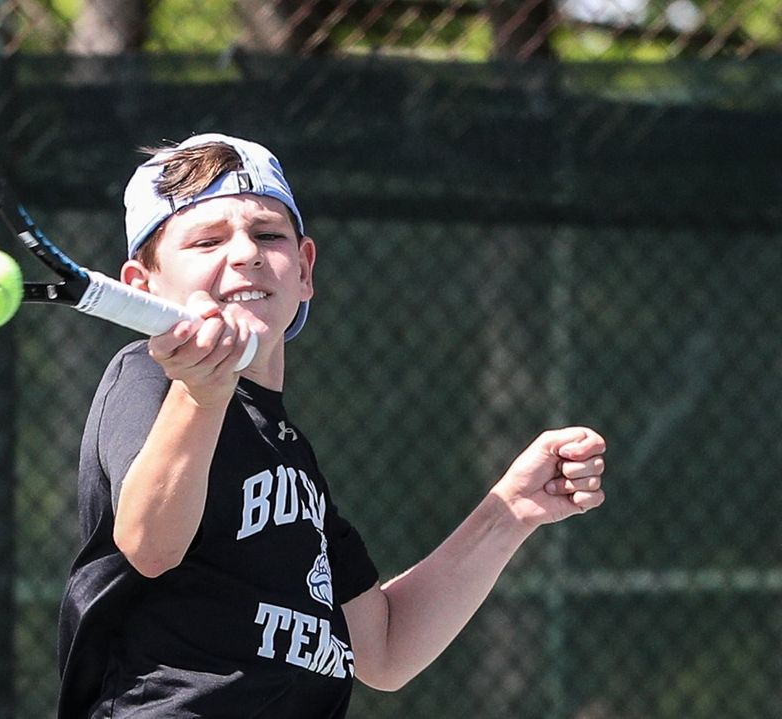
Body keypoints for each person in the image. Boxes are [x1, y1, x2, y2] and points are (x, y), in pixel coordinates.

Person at [56, 133, 606, 718]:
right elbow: (149, 545)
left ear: (305, 271)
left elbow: (386, 649)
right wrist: (201, 393)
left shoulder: (290, 456)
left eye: (268, 235)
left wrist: (512, 510)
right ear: (143, 287)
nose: (245, 253)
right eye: (207, 240)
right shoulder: (148, 378)